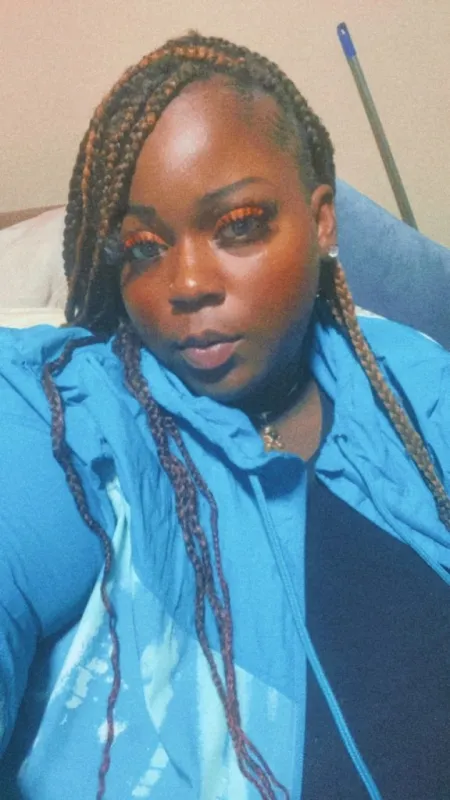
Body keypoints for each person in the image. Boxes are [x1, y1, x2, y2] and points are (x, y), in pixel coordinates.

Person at [0, 31, 449, 800]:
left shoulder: (406, 377)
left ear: (323, 221)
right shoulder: (65, 415)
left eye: (238, 224)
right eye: (144, 246)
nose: (187, 283)